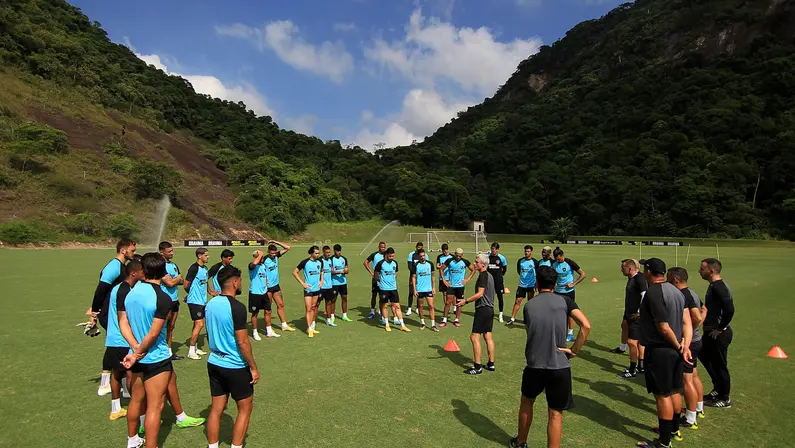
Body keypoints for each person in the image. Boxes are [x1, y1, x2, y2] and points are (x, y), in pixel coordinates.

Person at [119, 253, 205, 448]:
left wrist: (134, 349)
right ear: (164, 272)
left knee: (136, 399)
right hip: (155, 358)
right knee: (155, 406)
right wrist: (139, 352)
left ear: (144, 271)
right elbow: (153, 333)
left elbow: (123, 322)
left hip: (137, 357)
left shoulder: (131, 292)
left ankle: (132, 440)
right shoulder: (163, 298)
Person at [509, 266, 591, 448]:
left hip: (534, 364)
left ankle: (521, 442)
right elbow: (585, 325)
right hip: (559, 365)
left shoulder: (529, 306)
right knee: (555, 413)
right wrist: (574, 350)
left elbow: (531, 330)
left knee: (526, 402)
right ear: (555, 284)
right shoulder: (566, 302)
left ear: (537, 283)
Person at [636, 258, 692, 448]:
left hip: (661, 349)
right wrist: (684, 345)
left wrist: (678, 346)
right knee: (675, 390)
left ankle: (663, 441)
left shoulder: (653, 292)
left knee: (662, 395)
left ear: (649, 271)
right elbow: (686, 321)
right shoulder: (676, 291)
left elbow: (663, 326)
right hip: (675, 349)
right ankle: (674, 430)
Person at [205, 266, 260, 448]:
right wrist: (253, 367)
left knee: (216, 409)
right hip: (235, 365)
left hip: (214, 362)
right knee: (245, 408)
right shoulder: (237, 307)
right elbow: (243, 342)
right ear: (235, 282)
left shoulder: (211, 303)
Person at [94, 238, 137, 396]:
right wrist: (95, 312)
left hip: (114, 311)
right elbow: (101, 289)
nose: (134, 252)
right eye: (132, 250)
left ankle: (113, 384)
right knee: (117, 346)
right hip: (109, 313)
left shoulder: (122, 266)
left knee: (116, 347)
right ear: (123, 250)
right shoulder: (114, 266)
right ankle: (110, 385)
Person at [103, 257, 143, 421]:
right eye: (142, 271)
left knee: (117, 374)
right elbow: (125, 318)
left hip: (113, 338)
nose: (144, 273)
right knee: (131, 375)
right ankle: (138, 411)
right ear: (134, 273)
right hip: (122, 340)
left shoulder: (118, 288)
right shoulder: (126, 291)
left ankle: (116, 409)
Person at [667, 267, 706, 428]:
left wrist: (686, 335)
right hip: (695, 341)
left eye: (669, 279)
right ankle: (699, 407)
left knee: (686, 379)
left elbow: (697, 317)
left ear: (676, 280)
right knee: (694, 376)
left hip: (689, 344)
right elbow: (704, 309)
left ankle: (690, 418)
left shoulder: (684, 295)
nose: (667, 282)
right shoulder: (692, 292)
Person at [698, 258, 735, 409]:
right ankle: (717, 389)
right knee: (703, 355)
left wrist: (721, 327)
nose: (699, 271)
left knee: (720, 365)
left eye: (702, 269)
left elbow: (729, 308)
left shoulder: (719, 287)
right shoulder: (714, 285)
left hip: (719, 334)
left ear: (711, 270)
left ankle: (725, 397)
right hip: (710, 332)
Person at [456, 254, 497, 374]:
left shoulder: (483, 276)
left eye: (477, 262)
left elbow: (480, 294)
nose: (474, 264)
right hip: (490, 310)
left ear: (483, 265)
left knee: (474, 337)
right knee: (488, 336)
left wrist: (466, 301)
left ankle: (477, 367)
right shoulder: (489, 276)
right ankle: (491, 364)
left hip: (483, 309)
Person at [617, 259, 648, 379]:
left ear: (630, 269)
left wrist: (640, 312)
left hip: (636, 316)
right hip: (629, 314)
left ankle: (632, 369)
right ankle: (640, 366)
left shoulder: (639, 279)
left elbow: (644, 296)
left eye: (623, 268)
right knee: (637, 341)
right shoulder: (632, 278)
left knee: (632, 342)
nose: (621, 269)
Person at [552, 247, 586, 342]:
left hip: (568, 292)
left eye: (559, 259)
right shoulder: (553, 264)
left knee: (569, 313)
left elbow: (583, 274)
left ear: (562, 255)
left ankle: (570, 333)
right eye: (556, 259)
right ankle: (559, 332)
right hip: (557, 292)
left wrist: (573, 284)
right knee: (558, 312)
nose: (558, 261)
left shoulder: (569, 262)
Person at [262, 241, 297, 334]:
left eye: (274, 252)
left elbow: (288, 248)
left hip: (276, 285)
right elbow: (258, 270)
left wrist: (275, 242)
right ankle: (269, 329)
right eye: (272, 253)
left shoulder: (276, 256)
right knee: (268, 309)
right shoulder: (264, 260)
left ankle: (284, 325)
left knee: (280, 304)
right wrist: (263, 281)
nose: (273, 254)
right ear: (268, 251)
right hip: (268, 287)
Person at [374, 247, 410, 332]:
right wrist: (381, 282)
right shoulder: (380, 263)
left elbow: (396, 272)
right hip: (384, 289)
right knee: (385, 306)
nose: (391, 258)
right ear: (386, 255)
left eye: (393, 256)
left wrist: (392, 279)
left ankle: (403, 325)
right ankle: (387, 324)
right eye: (390, 256)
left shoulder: (395, 263)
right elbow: (376, 274)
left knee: (397, 306)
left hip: (393, 288)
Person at [159, 241, 184, 360]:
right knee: (161, 327)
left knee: (171, 326)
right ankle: (160, 351)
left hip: (175, 300)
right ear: (161, 252)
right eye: (169, 251)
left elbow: (182, 280)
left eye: (172, 251)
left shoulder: (174, 265)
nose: (172, 253)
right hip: (165, 300)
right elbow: (169, 283)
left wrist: (176, 279)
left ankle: (169, 353)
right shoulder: (160, 266)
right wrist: (176, 278)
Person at [184, 248, 210, 360]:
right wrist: (190, 295)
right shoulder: (193, 268)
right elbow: (186, 284)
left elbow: (205, 282)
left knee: (197, 324)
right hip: (194, 301)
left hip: (202, 301)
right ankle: (191, 350)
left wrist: (210, 292)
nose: (208, 257)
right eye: (206, 255)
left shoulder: (205, 268)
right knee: (200, 324)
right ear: (199, 256)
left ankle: (195, 348)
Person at [248, 250, 279, 340]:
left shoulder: (263, 266)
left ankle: (269, 331)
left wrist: (266, 283)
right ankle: (255, 332)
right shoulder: (252, 266)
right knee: (255, 313)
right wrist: (259, 254)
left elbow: (264, 276)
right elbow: (254, 263)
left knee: (268, 311)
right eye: (261, 257)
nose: (263, 258)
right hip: (255, 293)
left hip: (264, 292)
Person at [440, 248, 476, 328]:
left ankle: (457, 320)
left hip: (460, 286)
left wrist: (467, 279)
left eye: (460, 256)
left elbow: (473, 270)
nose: (458, 257)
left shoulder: (465, 262)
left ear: (462, 255)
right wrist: (444, 280)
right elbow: (441, 269)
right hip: (451, 286)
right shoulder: (449, 261)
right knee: (448, 302)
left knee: (459, 303)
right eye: (457, 256)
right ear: (455, 254)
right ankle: (444, 319)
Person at [294, 246, 324, 337]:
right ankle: (309, 329)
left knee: (313, 307)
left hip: (316, 289)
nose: (318, 255)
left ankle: (310, 327)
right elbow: (295, 272)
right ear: (311, 253)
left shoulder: (320, 261)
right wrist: (302, 283)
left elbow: (322, 271)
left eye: (318, 253)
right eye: (316, 253)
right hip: (308, 289)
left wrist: (321, 280)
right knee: (308, 308)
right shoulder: (305, 262)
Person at [508, 245, 538, 326]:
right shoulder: (520, 261)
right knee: (517, 302)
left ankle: (530, 319)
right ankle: (512, 319)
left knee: (530, 303)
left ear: (531, 252)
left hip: (531, 285)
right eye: (525, 251)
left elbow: (537, 273)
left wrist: (536, 284)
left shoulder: (535, 262)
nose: (526, 253)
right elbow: (519, 271)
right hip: (522, 285)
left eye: (528, 251)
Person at [412, 248, 438, 331]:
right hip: (420, 289)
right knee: (420, 306)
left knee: (431, 306)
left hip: (428, 289)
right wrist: (414, 289)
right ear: (419, 257)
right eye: (421, 256)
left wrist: (433, 287)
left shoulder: (430, 264)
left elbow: (433, 276)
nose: (423, 257)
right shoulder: (416, 265)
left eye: (424, 255)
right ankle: (422, 323)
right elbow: (413, 277)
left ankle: (433, 325)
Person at [364, 242, 387, 319]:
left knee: (382, 295)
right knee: (374, 295)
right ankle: (372, 311)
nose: (383, 248)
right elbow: (365, 262)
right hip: (376, 278)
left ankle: (381, 311)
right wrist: (371, 272)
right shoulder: (374, 255)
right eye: (381, 247)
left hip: (384, 278)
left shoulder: (387, 255)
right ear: (379, 247)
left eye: (384, 247)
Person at [487, 242, 508, 322]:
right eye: (492, 249)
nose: (493, 251)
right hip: (489, 281)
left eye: (495, 249)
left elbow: (504, 269)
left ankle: (500, 314)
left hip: (499, 281)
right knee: (489, 298)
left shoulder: (502, 258)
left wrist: (500, 276)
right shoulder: (488, 257)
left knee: (500, 297)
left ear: (498, 250)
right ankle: (490, 313)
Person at [331, 244, 352, 322]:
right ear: (334, 251)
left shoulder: (344, 259)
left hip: (343, 282)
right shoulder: (331, 259)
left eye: (340, 251)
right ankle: (332, 316)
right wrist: (339, 272)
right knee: (333, 299)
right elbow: (331, 271)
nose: (339, 252)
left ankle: (344, 315)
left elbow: (347, 270)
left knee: (344, 298)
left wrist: (346, 270)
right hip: (334, 283)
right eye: (337, 251)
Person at [319, 246, 337, 327]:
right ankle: (312, 322)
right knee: (316, 304)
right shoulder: (319, 261)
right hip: (321, 287)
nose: (329, 254)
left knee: (329, 303)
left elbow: (331, 271)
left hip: (329, 286)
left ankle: (329, 320)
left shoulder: (330, 260)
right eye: (327, 252)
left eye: (329, 252)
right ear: (323, 252)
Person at [406, 241, 424, 316]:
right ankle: (409, 308)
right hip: (412, 276)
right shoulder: (411, 254)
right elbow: (410, 266)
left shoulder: (424, 255)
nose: (419, 249)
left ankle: (417, 308)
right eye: (418, 247)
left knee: (419, 292)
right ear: (416, 247)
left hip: (420, 277)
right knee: (411, 292)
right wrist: (414, 273)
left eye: (421, 247)